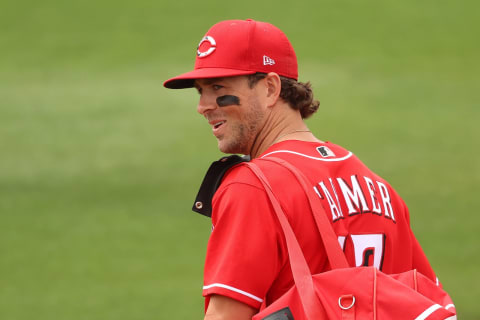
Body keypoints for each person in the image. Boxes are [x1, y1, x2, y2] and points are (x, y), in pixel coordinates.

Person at [164, 19, 440, 320]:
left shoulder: (253, 187)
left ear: (270, 88)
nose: (203, 106)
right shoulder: (379, 190)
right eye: (199, 91)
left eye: (218, 88)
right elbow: (426, 303)